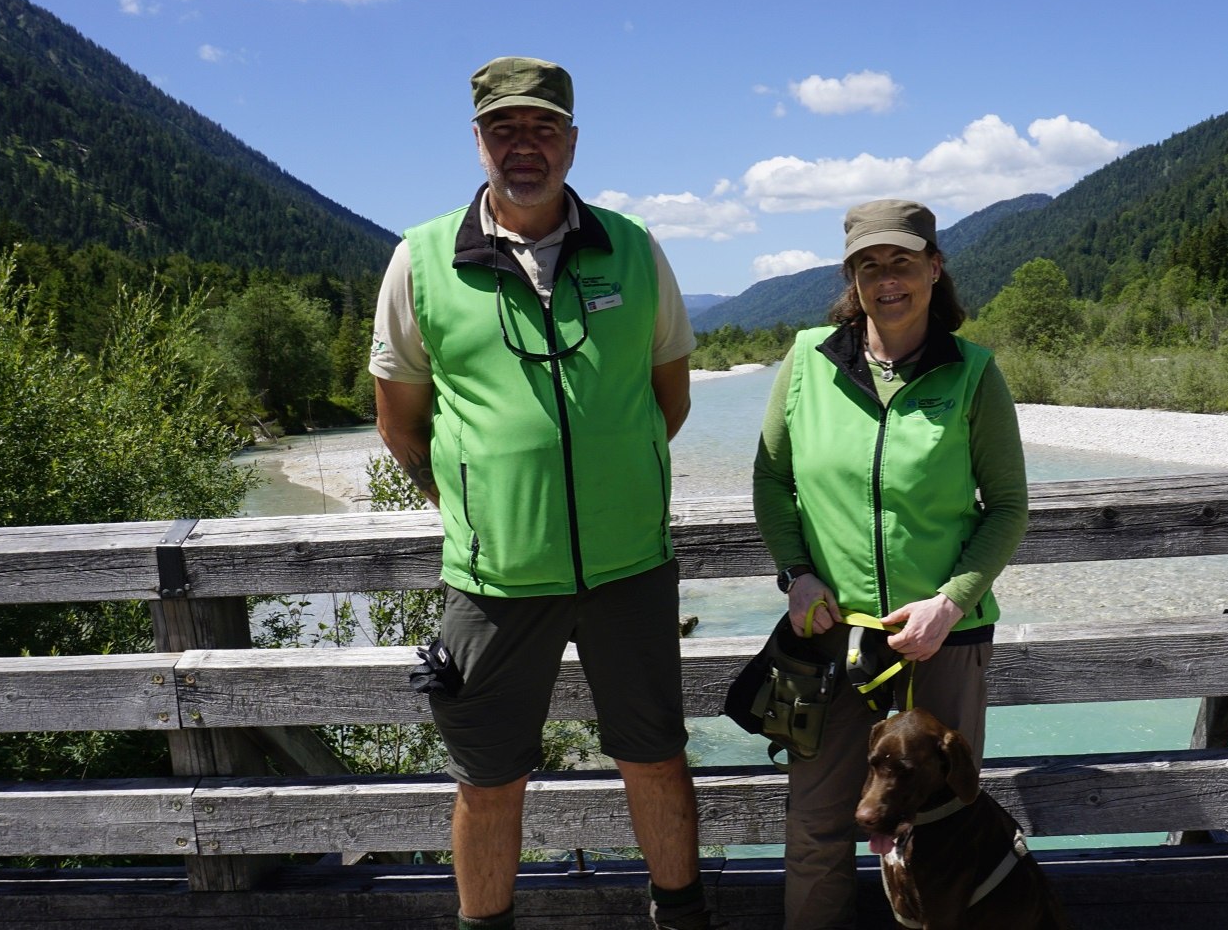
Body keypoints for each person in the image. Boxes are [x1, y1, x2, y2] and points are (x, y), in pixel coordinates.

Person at [369, 57, 707, 930]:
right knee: (488, 782)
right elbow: (402, 423)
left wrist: (610, 479)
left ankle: (682, 919)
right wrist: (482, 505)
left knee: (658, 760)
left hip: (630, 566)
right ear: (478, 141)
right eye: (505, 129)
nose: (526, 146)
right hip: (494, 581)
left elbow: (668, 397)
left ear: (573, 140)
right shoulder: (423, 259)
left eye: (543, 127)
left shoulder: (634, 249)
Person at [752, 198, 1030, 928]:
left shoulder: (972, 373)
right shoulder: (808, 361)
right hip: (831, 641)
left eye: (903, 262)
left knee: (943, 829)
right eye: (869, 265)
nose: (887, 280)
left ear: (934, 268)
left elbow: (1007, 506)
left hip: (943, 639)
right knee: (817, 824)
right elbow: (771, 482)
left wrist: (952, 601)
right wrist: (796, 573)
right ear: (851, 277)